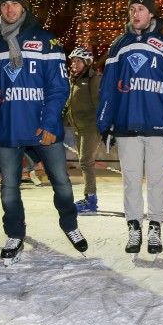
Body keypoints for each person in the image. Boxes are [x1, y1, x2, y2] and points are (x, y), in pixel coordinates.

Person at [0, 0, 88, 265]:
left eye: (14, 4)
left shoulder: (47, 41)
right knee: (10, 188)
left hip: (43, 130)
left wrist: (50, 124)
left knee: (61, 183)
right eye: (4, 5)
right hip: (8, 128)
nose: (9, 9)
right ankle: (14, 234)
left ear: (24, 7)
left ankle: (70, 224)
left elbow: (58, 88)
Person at [97, 0, 163, 260]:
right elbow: (108, 89)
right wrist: (105, 123)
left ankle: (155, 227)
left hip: (158, 125)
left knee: (157, 181)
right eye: (132, 9)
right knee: (131, 180)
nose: (134, 13)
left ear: (151, 13)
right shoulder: (119, 44)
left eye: (140, 9)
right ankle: (134, 226)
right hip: (126, 125)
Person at [63, 47, 102, 214]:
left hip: (91, 127)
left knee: (86, 162)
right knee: (84, 162)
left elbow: (99, 103)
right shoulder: (74, 80)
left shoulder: (94, 79)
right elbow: (69, 103)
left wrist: (105, 127)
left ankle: (91, 199)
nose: (74, 64)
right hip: (78, 127)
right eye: (73, 61)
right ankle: (89, 197)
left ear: (86, 63)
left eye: (78, 61)